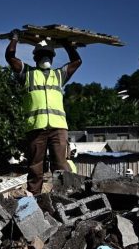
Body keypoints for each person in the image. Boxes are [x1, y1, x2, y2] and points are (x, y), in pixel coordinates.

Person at [5, 29, 82, 194]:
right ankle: (34, 198)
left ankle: (64, 195)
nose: (45, 58)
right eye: (41, 55)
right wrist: (14, 39)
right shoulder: (27, 73)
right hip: (36, 127)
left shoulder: (59, 75)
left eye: (48, 55)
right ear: (35, 58)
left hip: (58, 127)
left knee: (60, 165)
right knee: (35, 166)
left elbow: (77, 61)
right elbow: (10, 58)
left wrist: (66, 44)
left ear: (53, 58)